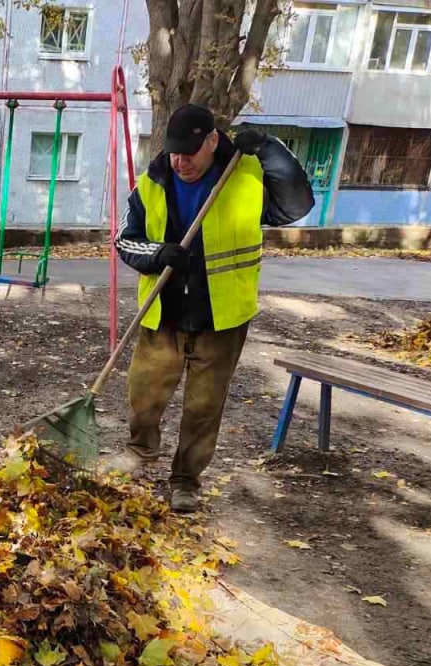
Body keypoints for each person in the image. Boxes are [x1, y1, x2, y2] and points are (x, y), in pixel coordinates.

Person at [110, 105, 314, 514]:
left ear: (213, 141)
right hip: (163, 312)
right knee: (144, 394)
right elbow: (124, 240)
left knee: (204, 405)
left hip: (222, 315)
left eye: (190, 152)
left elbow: (295, 207)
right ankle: (139, 453)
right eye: (174, 152)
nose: (181, 162)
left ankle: (186, 479)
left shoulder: (244, 176)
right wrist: (157, 254)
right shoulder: (153, 181)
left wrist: (271, 151)